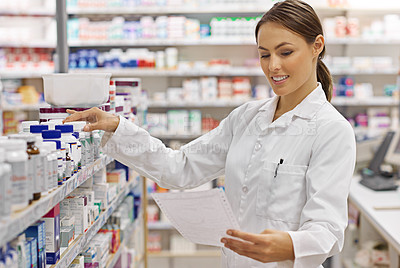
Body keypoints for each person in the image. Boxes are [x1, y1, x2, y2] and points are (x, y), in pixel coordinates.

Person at [64, 0, 356, 267]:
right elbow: (180, 168)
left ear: (317, 46)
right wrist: (117, 126)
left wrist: (291, 246)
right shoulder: (246, 118)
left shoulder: (332, 130)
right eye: (264, 55)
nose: (273, 66)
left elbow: (327, 229)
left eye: (286, 52)